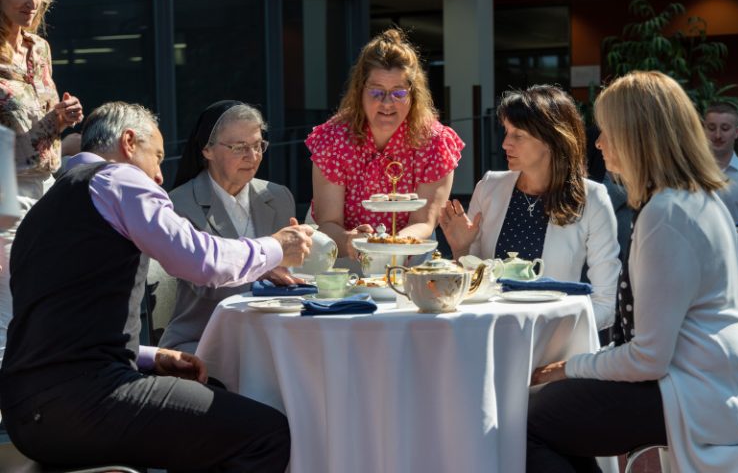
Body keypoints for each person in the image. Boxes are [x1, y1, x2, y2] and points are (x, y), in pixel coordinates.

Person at [0, 102, 314, 471]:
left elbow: (57, 322)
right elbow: (202, 260)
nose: (161, 177)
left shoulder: (43, 208)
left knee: (215, 413)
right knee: (266, 432)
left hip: (26, 413)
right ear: (129, 142)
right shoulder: (117, 178)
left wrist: (151, 356)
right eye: (158, 156)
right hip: (85, 400)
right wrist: (278, 247)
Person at [526, 72, 738, 473]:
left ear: (637, 136)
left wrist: (568, 366)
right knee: (549, 414)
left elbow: (648, 358)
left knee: (525, 423)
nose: (599, 143)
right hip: (713, 386)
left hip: (695, 395)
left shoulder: (667, 214)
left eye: (606, 131)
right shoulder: (694, 199)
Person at [438, 85, 620, 330]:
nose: (505, 144)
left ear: (551, 139)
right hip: (490, 336)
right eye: (506, 132)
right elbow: (471, 290)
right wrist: (460, 250)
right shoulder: (489, 187)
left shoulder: (593, 198)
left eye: (518, 135)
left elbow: (606, 304)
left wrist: (552, 339)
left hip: (554, 346)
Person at [306, 28, 464, 264]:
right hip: (341, 253)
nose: (387, 103)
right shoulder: (334, 138)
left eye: (398, 92)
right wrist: (351, 240)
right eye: (377, 92)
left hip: (409, 253)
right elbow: (328, 222)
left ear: (413, 94)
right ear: (360, 91)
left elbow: (423, 222)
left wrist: (391, 247)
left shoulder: (434, 142)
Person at [160, 100, 299, 354]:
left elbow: (292, 273)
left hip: (276, 337)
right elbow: (205, 281)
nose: (253, 156)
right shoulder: (179, 204)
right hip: (204, 340)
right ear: (207, 150)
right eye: (239, 147)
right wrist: (264, 271)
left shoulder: (278, 196)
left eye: (258, 146)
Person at [0, 0, 84, 366]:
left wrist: (65, 115)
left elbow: (43, 125)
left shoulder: (39, 49)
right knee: (7, 307)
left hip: (48, 189)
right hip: (7, 195)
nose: (33, 2)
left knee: (47, 299)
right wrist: (52, 122)